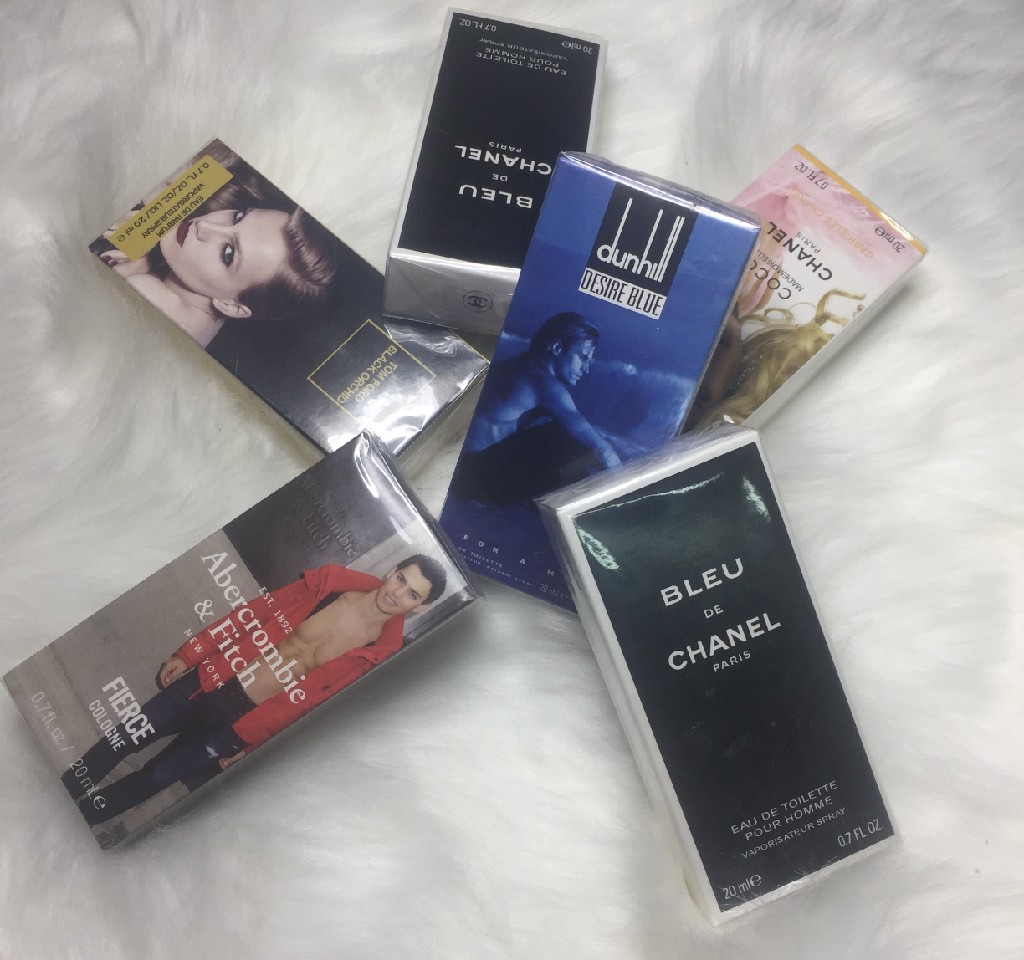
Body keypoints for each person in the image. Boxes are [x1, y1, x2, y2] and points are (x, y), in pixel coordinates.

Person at [62, 556, 446, 826]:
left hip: (239, 725)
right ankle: (63, 791)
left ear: (421, 609)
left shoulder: (377, 658)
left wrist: (252, 747)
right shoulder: (328, 586)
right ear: (392, 571)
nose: (398, 593)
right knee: (126, 736)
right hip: (216, 680)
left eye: (413, 595)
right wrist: (192, 652)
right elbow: (256, 611)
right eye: (401, 579)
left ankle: (82, 820)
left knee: (157, 777)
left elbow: (315, 709)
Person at [94, 143, 342, 346]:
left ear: (232, 306)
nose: (204, 226)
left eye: (228, 254)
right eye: (238, 217)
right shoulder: (196, 316)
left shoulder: (151, 301)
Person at [451, 312, 622, 507]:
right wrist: (625, 492)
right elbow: (602, 449)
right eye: (583, 357)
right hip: (473, 482)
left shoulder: (508, 366)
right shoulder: (545, 386)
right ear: (557, 348)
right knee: (572, 441)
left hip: (458, 465)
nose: (586, 369)